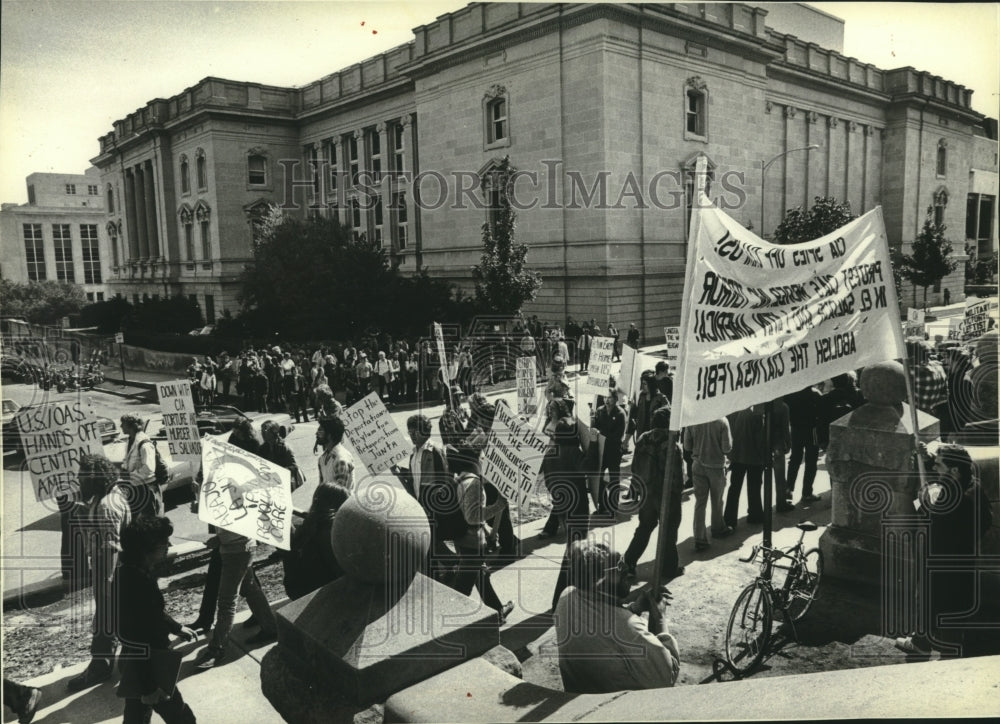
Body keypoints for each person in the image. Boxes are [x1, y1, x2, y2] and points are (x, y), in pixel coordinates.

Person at [192, 419, 277, 671]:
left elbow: (235, 516)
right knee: (250, 588)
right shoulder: (227, 479)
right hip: (236, 545)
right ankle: (270, 627)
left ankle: (217, 648)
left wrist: (219, 534)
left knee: (227, 600)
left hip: (237, 548)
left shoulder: (232, 482)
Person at [895, 443, 993, 656]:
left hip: (940, 567)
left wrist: (925, 502)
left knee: (933, 606)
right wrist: (929, 458)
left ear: (954, 471)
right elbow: (987, 520)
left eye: (939, 465)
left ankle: (931, 650)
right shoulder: (974, 487)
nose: (935, 469)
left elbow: (932, 525)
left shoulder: (950, 500)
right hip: (964, 563)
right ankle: (927, 643)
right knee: (954, 610)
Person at [554, 540, 680, 693]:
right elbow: (667, 677)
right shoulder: (627, 626)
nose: (627, 569)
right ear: (599, 580)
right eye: (619, 566)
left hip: (579, 691)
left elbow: (600, 624)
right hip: (615, 706)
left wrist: (634, 609)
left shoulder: (566, 598)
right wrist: (660, 617)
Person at [116, 516, 198, 724]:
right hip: (149, 665)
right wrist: (149, 687)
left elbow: (152, 614)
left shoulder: (131, 573)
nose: (168, 547)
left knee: (135, 716)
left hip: (141, 664)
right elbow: (137, 638)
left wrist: (176, 627)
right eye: (163, 544)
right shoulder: (138, 584)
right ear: (147, 550)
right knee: (180, 718)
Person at [66, 454, 132, 692]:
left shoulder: (106, 504)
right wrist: (84, 514)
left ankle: (100, 666)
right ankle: (110, 662)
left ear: (94, 478)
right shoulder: (107, 497)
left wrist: (106, 582)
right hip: (110, 571)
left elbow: (112, 546)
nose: (78, 480)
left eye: (82, 476)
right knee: (109, 620)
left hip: (109, 572)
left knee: (105, 620)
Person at [449, 450, 515, 623]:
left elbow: (467, 513)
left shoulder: (462, 479)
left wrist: (486, 528)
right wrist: (497, 506)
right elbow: (472, 517)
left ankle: (498, 612)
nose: (485, 461)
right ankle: (450, 621)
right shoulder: (474, 483)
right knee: (463, 587)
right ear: (475, 460)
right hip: (472, 543)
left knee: (480, 575)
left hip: (465, 539)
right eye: (483, 458)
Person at [622, 407, 684, 580]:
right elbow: (677, 477)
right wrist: (678, 494)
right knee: (669, 531)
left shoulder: (643, 439)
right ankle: (668, 568)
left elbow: (635, 467)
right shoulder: (672, 444)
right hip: (667, 495)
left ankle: (628, 563)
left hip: (647, 493)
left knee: (644, 528)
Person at [282, 483, 349, 600]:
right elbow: (339, 570)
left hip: (298, 589)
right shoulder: (329, 530)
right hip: (318, 592)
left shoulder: (307, 525)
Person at [684, 416, 734, 551]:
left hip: (697, 465)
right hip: (716, 467)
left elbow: (687, 446)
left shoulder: (693, 419)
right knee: (717, 501)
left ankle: (699, 538)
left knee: (700, 503)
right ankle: (718, 529)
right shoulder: (722, 420)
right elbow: (727, 448)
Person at [723, 404, 768, 529]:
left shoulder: (733, 411)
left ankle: (729, 518)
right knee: (754, 486)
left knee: (734, 488)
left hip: (737, 455)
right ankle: (755, 513)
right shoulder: (756, 415)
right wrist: (765, 456)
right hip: (753, 456)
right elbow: (759, 440)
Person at [120, 412, 163, 518]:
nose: (121, 426)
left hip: (147, 488)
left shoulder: (145, 444)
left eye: (123, 424)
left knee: (150, 521)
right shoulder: (130, 440)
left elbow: (148, 469)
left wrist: (130, 476)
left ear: (132, 426)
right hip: (135, 487)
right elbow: (128, 459)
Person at [785, 385, 822, 505]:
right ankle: (806, 492)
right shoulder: (815, 394)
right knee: (811, 461)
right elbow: (820, 413)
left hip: (796, 429)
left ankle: (788, 489)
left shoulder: (791, 394)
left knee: (795, 459)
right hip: (811, 430)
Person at [593, 390, 627, 516]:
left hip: (613, 450)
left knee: (613, 478)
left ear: (615, 399)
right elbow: (595, 428)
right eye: (605, 398)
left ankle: (613, 507)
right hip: (601, 450)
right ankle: (602, 505)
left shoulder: (620, 413)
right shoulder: (599, 411)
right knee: (599, 477)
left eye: (610, 398)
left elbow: (618, 434)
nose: (606, 401)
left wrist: (603, 435)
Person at [315, 417, 356, 490]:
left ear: (329, 435)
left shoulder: (341, 460)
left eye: (320, 431)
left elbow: (340, 494)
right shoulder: (322, 458)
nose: (316, 434)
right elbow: (321, 487)